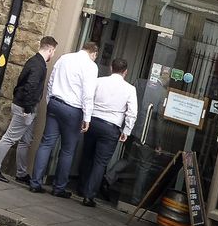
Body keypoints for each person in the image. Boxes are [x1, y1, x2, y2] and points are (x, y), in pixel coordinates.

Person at [29, 40, 99, 198]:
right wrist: (87, 117)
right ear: (93, 53)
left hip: (55, 104)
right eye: (95, 56)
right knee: (67, 150)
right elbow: (88, 94)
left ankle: (35, 183)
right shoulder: (90, 66)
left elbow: (51, 81)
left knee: (46, 143)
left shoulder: (64, 58)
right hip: (73, 110)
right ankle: (58, 188)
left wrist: (50, 101)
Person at [0, 35, 58, 184]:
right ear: (50, 49)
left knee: (26, 140)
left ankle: (21, 173)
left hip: (27, 105)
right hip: (26, 107)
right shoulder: (38, 65)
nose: (53, 54)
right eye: (54, 51)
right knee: (10, 137)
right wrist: (27, 108)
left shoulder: (34, 61)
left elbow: (21, 83)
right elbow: (30, 87)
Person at [77, 57, 138, 207]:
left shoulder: (99, 81)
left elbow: (88, 99)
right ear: (126, 72)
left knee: (87, 156)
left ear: (111, 68)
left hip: (94, 122)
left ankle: (81, 188)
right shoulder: (130, 89)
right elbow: (132, 113)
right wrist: (127, 130)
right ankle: (89, 196)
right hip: (111, 128)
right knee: (100, 163)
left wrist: (86, 119)